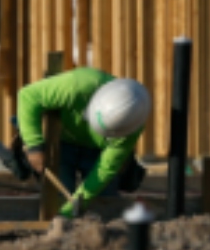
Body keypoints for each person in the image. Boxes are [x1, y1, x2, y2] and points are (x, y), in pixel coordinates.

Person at [17, 67, 151, 218]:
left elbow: (104, 170)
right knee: (57, 198)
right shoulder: (77, 85)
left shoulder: (131, 124)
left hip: (99, 153)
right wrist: (34, 146)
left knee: (105, 203)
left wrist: (69, 212)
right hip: (62, 144)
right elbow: (28, 96)